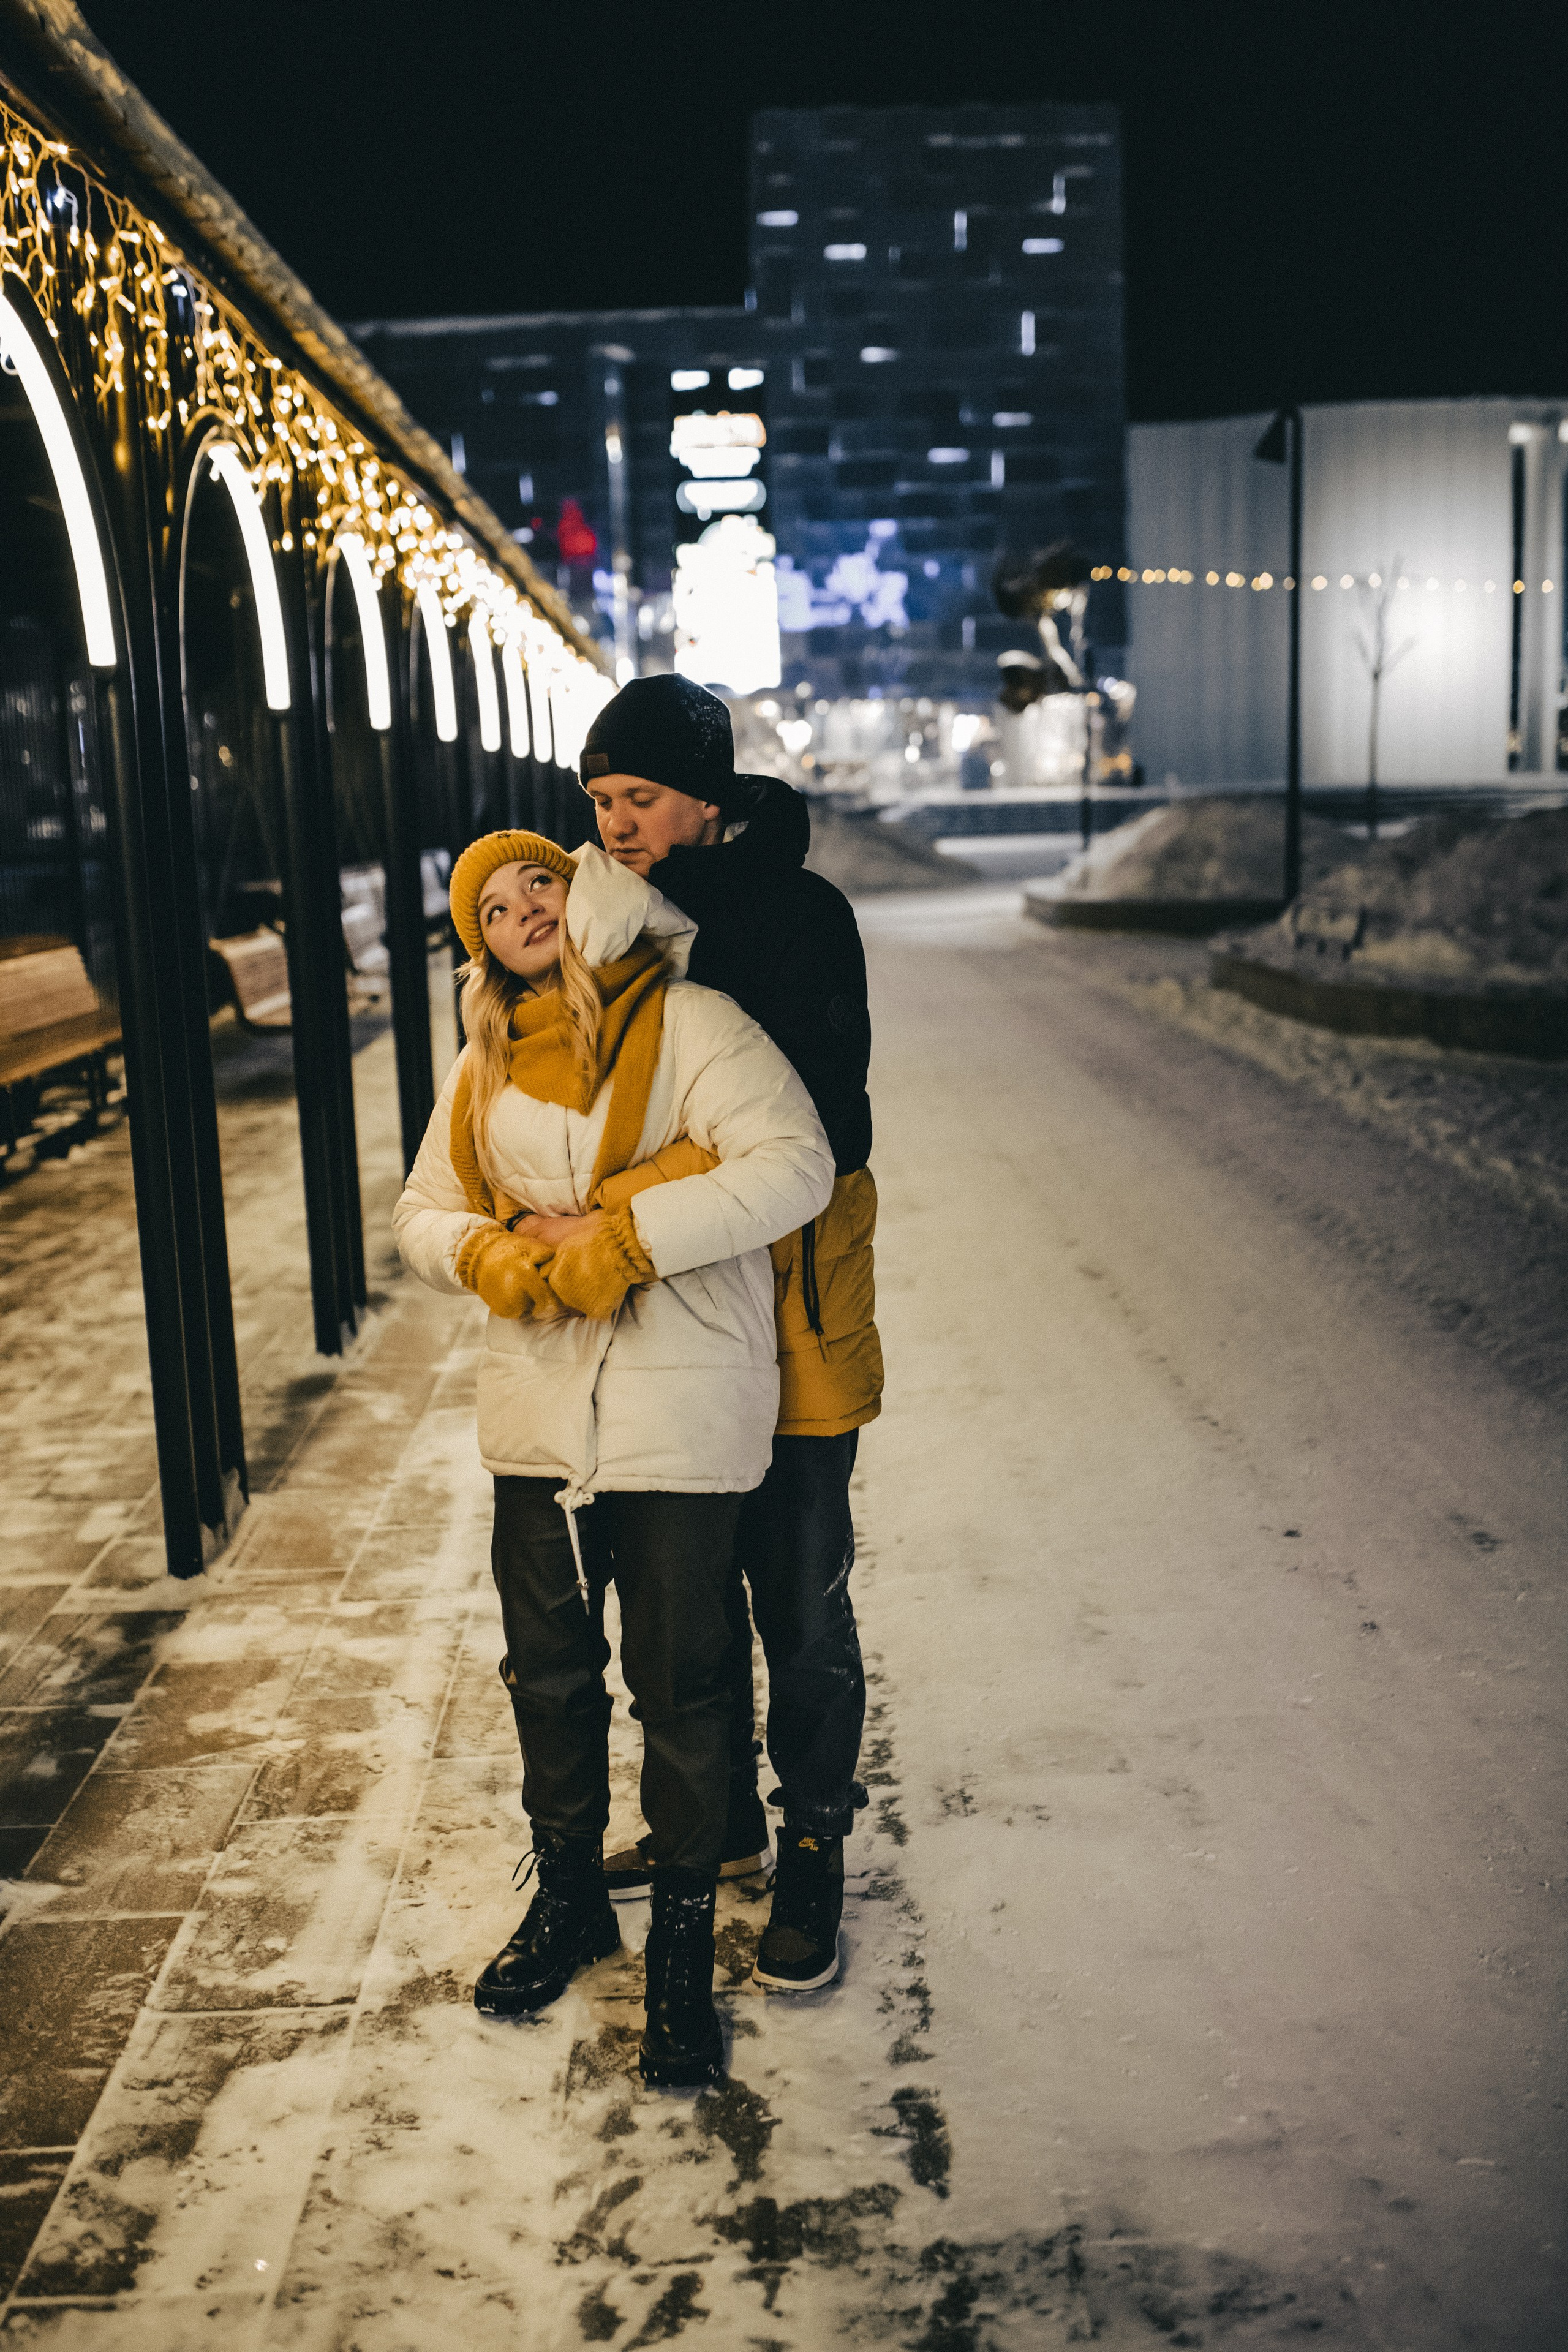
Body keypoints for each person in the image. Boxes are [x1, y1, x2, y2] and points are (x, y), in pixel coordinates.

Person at [393, 832, 832, 2084]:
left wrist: (627, 1237)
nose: (521, 905)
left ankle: (682, 1950)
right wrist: (486, 1256)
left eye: (540, 878)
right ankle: (571, 1898)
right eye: (491, 900)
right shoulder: (482, 1061)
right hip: (537, 1410)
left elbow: (794, 1164)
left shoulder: (695, 1020)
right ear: (477, 941)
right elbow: (426, 1207)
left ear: (588, 892)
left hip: (680, 1409)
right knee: (547, 1673)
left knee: (684, 1683)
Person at [580, 674, 883, 1995]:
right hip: (678, 1312)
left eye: (638, 796)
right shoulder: (612, 921)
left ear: (705, 795)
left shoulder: (802, 917)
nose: (616, 823)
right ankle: (729, 1829)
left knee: (800, 1596)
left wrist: (625, 1196)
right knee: (685, 1592)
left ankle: (813, 1842)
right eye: (597, 801)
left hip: (796, 1298)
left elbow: (819, 1135)